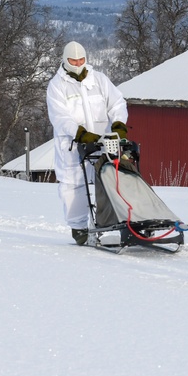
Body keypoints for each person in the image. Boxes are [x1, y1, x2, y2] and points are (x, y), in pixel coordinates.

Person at [46, 41, 128, 245]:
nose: (77, 63)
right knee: (73, 186)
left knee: (109, 180)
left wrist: (118, 124)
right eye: (73, 60)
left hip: (101, 142)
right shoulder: (57, 85)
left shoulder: (98, 79)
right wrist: (80, 134)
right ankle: (79, 228)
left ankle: (113, 222)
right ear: (65, 60)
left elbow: (117, 102)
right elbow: (60, 117)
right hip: (73, 146)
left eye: (81, 59)